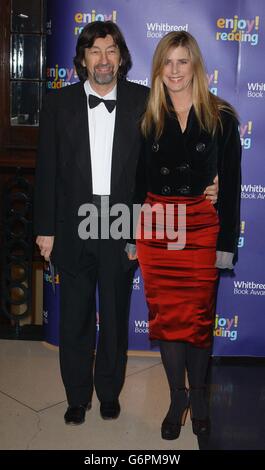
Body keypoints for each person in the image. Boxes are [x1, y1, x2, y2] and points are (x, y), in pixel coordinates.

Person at [34, 21, 218, 426]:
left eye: (111, 50)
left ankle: (110, 393)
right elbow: (45, 168)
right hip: (72, 223)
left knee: (115, 315)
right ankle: (77, 396)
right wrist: (44, 229)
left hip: (123, 221)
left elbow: (173, 155)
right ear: (83, 59)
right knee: (76, 316)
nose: (103, 59)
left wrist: (213, 180)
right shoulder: (58, 103)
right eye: (95, 51)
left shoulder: (145, 100)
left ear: (121, 58)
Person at [127, 31, 241, 440]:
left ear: (195, 66)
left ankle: (202, 398)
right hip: (157, 229)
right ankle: (179, 398)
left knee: (196, 320)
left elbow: (231, 185)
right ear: (158, 68)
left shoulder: (222, 116)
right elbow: (137, 181)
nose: (174, 71)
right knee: (166, 321)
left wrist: (226, 244)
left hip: (199, 227)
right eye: (167, 63)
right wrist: (129, 232)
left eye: (182, 62)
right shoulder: (149, 116)